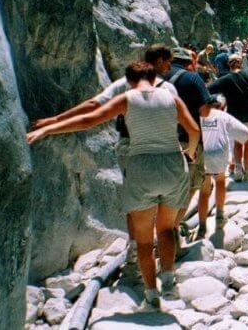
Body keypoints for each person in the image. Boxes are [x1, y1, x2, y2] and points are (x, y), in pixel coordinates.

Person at [28, 61, 198, 309]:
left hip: (141, 166)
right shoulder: (172, 97)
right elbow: (193, 129)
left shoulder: (127, 98)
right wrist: (189, 153)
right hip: (174, 164)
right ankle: (170, 282)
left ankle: (151, 296)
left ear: (129, 80)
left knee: (143, 240)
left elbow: (90, 120)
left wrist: (49, 129)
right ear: (154, 78)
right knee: (166, 230)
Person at [31, 44, 178, 265]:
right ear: (158, 61)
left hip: (132, 149)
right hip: (166, 152)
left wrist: (54, 122)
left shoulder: (125, 86)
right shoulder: (169, 90)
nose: (169, 66)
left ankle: (136, 251)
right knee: (164, 205)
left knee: (136, 203)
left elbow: (92, 109)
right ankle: (166, 265)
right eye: (167, 61)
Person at [198, 94, 248, 233]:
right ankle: (219, 216)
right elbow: (244, 131)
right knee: (219, 182)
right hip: (219, 153)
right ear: (223, 107)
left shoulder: (200, 114)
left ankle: (202, 225)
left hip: (203, 153)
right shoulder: (225, 116)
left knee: (204, 191)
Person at [164, 47, 211, 244]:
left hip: (159, 140)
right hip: (187, 141)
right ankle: (171, 231)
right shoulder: (193, 79)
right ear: (188, 62)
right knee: (189, 187)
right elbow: (205, 112)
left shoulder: (156, 78)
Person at [208, 54, 248, 181]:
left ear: (228, 65)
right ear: (241, 63)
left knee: (237, 143)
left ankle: (237, 171)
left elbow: (208, 90)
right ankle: (247, 173)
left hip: (235, 114)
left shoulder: (225, 79)